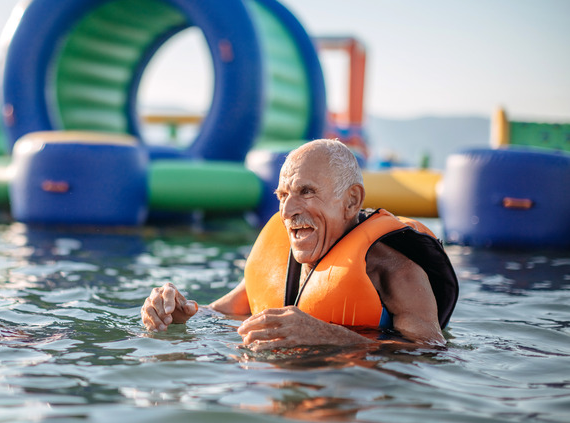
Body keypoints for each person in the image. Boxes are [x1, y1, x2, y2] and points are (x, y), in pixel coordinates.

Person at [141, 139, 458, 350]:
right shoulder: (277, 255)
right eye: (282, 195)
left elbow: (429, 351)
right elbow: (221, 313)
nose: (287, 211)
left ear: (351, 201)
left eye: (306, 192)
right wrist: (180, 313)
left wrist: (330, 336)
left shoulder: (395, 270)